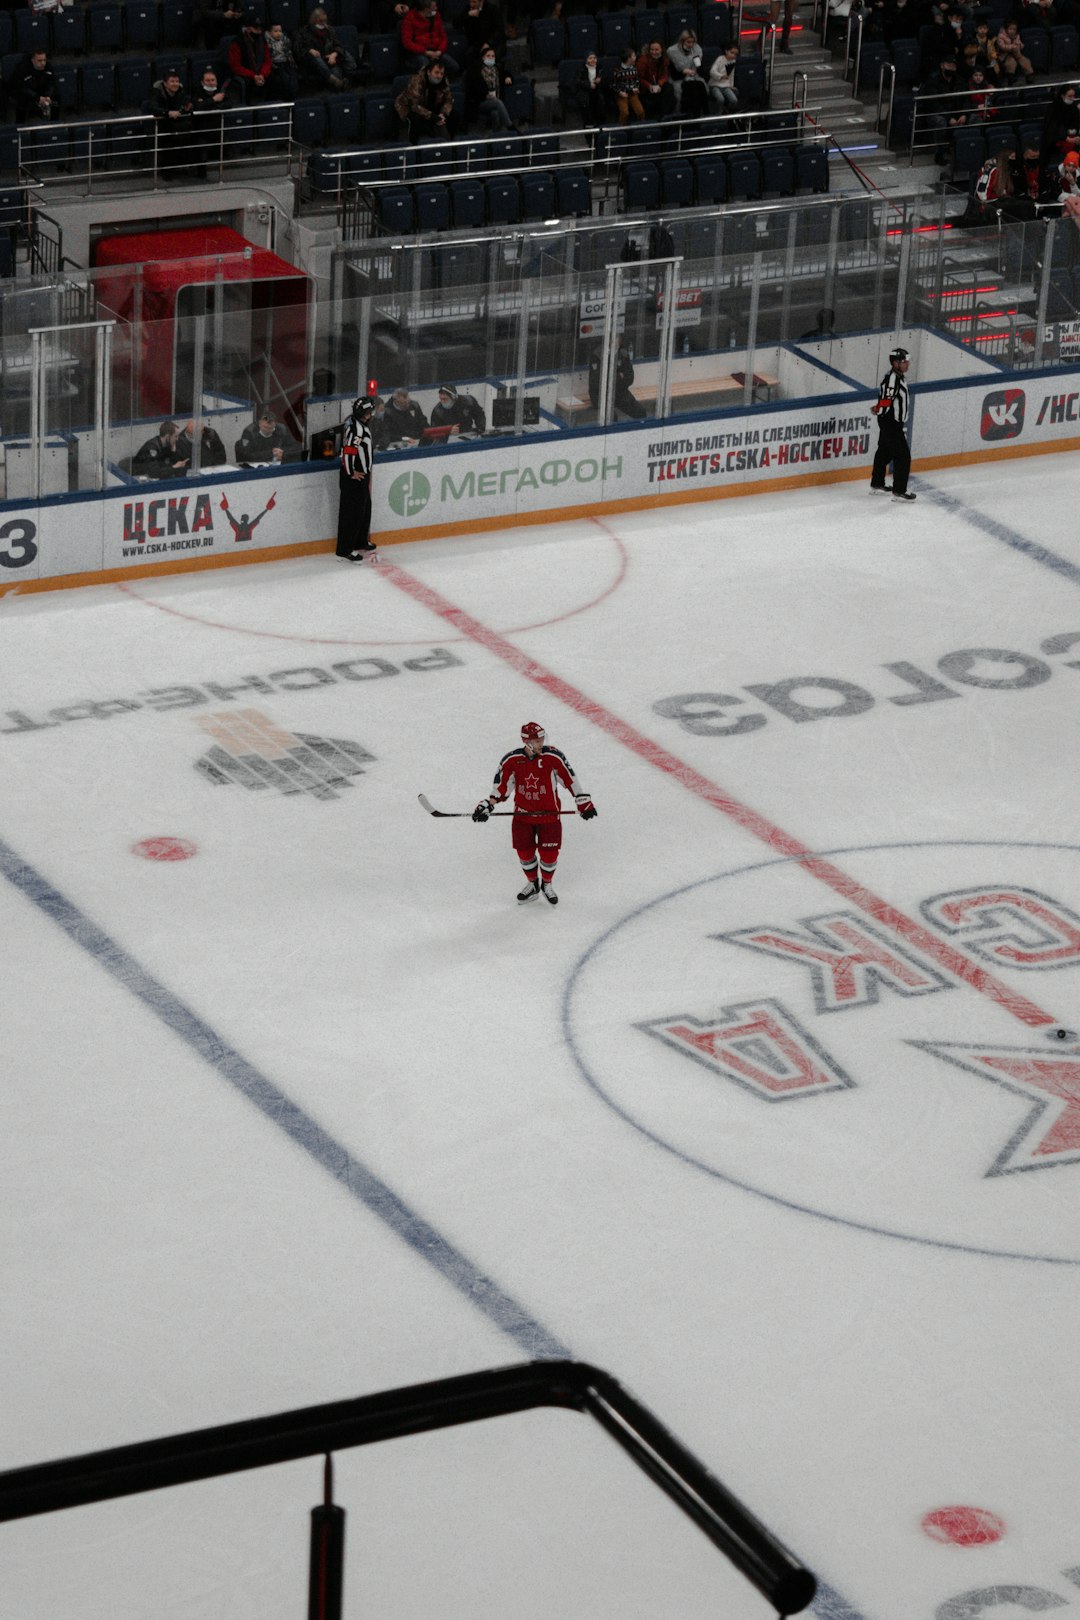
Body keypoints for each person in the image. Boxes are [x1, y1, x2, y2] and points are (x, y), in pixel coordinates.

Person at [472, 720, 596, 905]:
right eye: (537, 740)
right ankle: (533, 884)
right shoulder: (512, 760)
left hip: (549, 816)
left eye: (541, 739)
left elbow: (570, 779)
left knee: (549, 855)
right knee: (524, 853)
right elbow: (503, 787)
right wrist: (488, 805)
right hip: (523, 817)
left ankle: (547, 884)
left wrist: (583, 802)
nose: (541, 743)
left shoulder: (553, 757)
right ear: (527, 741)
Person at [870, 345, 914, 501]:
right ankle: (899, 491)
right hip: (891, 422)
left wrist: (879, 410)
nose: (907, 364)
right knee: (903, 456)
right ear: (895, 363)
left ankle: (877, 484)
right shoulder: (893, 379)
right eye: (904, 361)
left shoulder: (897, 377)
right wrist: (878, 409)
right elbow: (886, 400)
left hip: (889, 421)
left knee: (885, 451)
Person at [336, 395, 376, 562]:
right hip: (354, 476)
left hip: (361, 475)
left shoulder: (355, 423)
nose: (371, 415)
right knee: (351, 513)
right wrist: (351, 472)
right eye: (368, 412)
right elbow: (349, 451)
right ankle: (345, 549)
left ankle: (360, 540)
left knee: (364, 508)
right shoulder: (356, 429)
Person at [294, 6, 359, 90]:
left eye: (325, 20)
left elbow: (338, 45)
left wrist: (334, 54)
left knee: (337, 72)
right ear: (314, 20)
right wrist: (309, 50)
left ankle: (339, 85)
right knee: (316, 58)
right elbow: (297, 48)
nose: (324, 23)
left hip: (329, 59)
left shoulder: (330, 30)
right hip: (314, 62)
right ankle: (335, 81)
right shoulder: (303, 32)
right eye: (321, 21)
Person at [146, 70, 197, 176]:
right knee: (166, 143)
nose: (175, 84)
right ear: (165, 83)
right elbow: (153, 108)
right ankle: (166, 172)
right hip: (161, 125)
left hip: (176, 125)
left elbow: (185, 103)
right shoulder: (156, 93)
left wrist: (188, 106)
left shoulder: (181, 91)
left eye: (177, 81)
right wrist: (167, 113)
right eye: (172, 81)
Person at [395, 59, 457, 139]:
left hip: (431, 105)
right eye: (436, 72)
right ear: (428, 72)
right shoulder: (416, 81)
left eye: (441, 73)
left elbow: (448, 100)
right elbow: (414, 106)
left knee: (454, 115)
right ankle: (414, 146)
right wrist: (433, 116)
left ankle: (452, 144)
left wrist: (443, 114)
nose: (439, 76)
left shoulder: (444, 81)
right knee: (416, 120)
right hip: (409, 107)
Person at [587, 336, 647, 419]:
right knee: (611, 418)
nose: (614, 347)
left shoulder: (623, 354)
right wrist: (619, 376)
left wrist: (615, 378)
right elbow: (598, 381)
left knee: (640, 412)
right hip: (600, 394)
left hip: (619, 391)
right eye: (611, 344)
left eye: (616, 345)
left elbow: (630, 378)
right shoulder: (597, 355)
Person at [400, 0, 460, 75]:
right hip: (419, 52)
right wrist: (425, 52)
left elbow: (443, 37)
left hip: (436, 51)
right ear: (426, 10)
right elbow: (407, 43)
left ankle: (439, 78)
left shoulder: (437, 15)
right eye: (434, 6)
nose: (436, 8)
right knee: (428, 68)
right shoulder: (410, 18)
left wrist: (439, 51)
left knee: (454, 67)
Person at [465, 46, 514, 130]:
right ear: (482, 57)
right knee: (497, 103)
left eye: (493, 56)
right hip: (481, 102)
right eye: (488, 56)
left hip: (496, 100)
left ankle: (496, 137)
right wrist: (485, 95)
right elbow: (472, 91)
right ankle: (510, 126)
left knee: (495, 113)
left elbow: (507, 74)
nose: (491, 58)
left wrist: (508, 77)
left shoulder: (496, 69)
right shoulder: (475, 71)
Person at [7, 50, 57, 122]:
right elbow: (20, 87)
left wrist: (48, 96)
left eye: (44, 60)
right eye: (39, 61)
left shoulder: (48, 66)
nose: (43, 63)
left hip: (40, 90)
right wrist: (37, 97)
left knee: (56, 96)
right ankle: (20, 124)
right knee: (21, 99)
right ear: (32, 60)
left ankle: (54, 123)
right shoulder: (22, 68)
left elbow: (52, 83)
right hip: (25, 92)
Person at [666, 29, 702, 111]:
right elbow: (674, 74)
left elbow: (699, 69)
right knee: (679, 93)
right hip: (678, 78)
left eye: (693, 42)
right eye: (688, 42)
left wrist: (696, 67)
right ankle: (679, 115)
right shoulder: (673, 52)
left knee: (700, 88)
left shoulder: (697, 50)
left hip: (693, 77)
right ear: (682, 41)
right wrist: (684, 71)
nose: (691, 44)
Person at [637, 41, 674, 119]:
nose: (654, 52)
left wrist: (660, 84)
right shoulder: (642, 61)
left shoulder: (664, 59)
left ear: (661, 50)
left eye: (656, 50)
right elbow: (638, 78)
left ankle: (665, 116)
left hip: (657, 85)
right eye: (652, 50)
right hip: (646, 87)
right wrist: (649, 86)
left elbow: (664, 75)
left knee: (669, 88)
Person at [265, 23, 300, 99]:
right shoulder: (267, 43)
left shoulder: (285, 40)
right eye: (276, 31)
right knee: (285, 78)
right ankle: (287, 99)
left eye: (280, 31)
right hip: (275, 64)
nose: (279, 33)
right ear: (269, 33)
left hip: (286, 62)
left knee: (293, 77)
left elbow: (289, 53)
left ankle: (294, 99)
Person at [611, 45, 644, 124]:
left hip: (633, 93)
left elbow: (636, 80)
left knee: (640, 112)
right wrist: (620, 92)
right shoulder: (617, 71)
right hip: (622, 94)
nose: (635, 57)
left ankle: (641, 125)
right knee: (625, 113)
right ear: (629, 58)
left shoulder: (634, 69)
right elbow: (613, 84)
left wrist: (636, 87)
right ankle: (621, 128)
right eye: (634, 56)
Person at [575, 51, 607, 126]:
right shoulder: (581, 69)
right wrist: (589, 85)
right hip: (586, 96)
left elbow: (606, 81)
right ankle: (589, 135)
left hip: (598, 95)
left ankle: (600, 134)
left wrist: (600, 81)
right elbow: (578, 82)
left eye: (594, 58)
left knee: (600, 117)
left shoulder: (600, 69)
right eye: (590, 58)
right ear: (586, 60)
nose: (593, 60)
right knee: (588, 119)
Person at [708, 43, 740, 114]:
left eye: (735, 54)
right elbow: (712, 72)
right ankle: (719, 113)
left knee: (734, 100)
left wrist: (731, 86)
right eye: (732, 53)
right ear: (726, 51)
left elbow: (731, 75)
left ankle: (727, 111)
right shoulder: (720, 59)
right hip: (715, 85)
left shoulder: (733, 61)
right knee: (720, 99)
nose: (733, 55)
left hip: (725, 86)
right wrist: (721, 76)